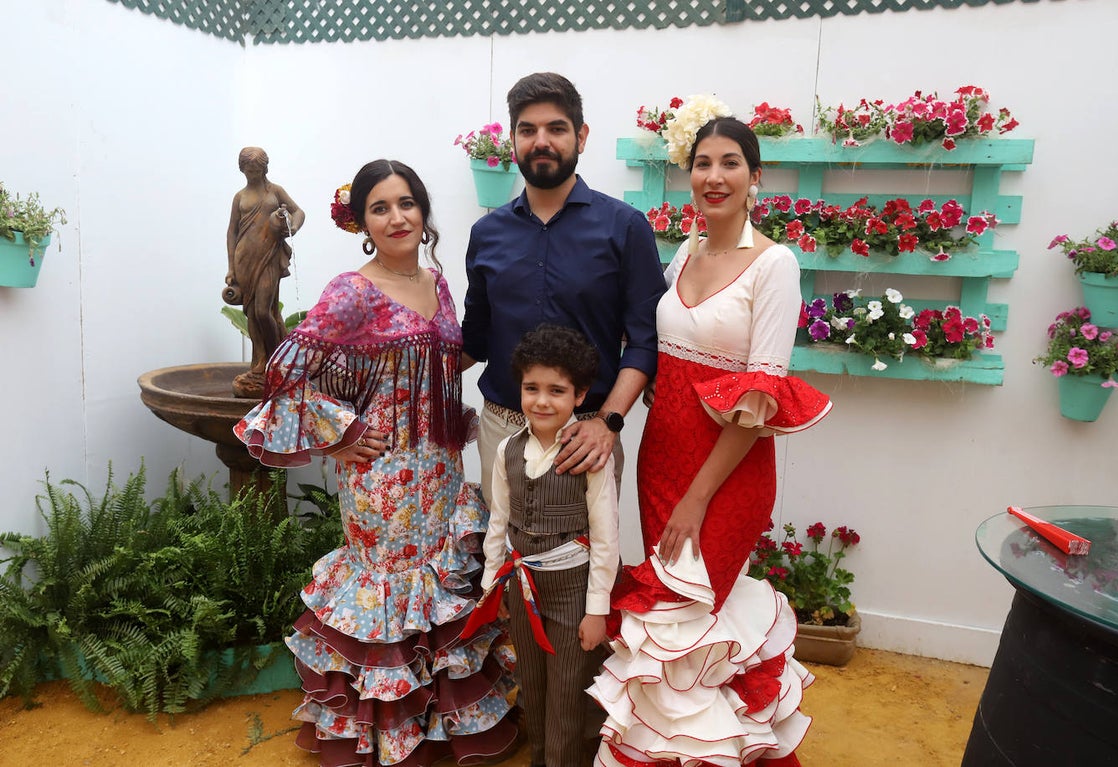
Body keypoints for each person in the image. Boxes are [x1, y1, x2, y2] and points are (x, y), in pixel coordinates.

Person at [233, 159, 519, 767]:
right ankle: (387, 734)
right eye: (381, 208)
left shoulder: (436, 282)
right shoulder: (350, 291)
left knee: (438, 589)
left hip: (440, 467)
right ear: (362, 221)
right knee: (393, 594)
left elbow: (442, 359)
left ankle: (442, 727)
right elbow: (284, 371)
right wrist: (337, 436)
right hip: (380, 479)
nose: (397, 217)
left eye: (407, 203)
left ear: (423, 212)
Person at [587, 109, 833, 767]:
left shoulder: (775, 264)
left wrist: (697, 497)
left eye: (730, 163)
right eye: (702, 163)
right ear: (688, 174)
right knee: (673, 628)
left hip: (726, 473)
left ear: (756, 177)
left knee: (693, 617)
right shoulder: (684, 253)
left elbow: (761, 401)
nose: (714, 176)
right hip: (658, 457)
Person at [461, 72, 666, 501]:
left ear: (581, 136)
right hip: (502, 431)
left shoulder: (624, 228)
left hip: (587, 435)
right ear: (513, 140)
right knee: (501, 557)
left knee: (590, 561)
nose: (541, 141)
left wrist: (607, 422)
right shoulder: (487, 234)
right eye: (527, 130)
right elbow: (475, 339)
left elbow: (646, 342)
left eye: (556, 129)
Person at [463, 324, 619, 767]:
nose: (542, 401)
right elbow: (499, 521)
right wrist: (495, 585)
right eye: (532, 388)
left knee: (569, 692)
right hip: (522, 586)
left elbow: (606, 535)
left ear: (579, 395)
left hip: (574, 593)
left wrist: (597, 609)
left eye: (557, 390)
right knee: (531, 687)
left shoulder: (589, 454)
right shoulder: (509, 449)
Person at [224, 146, 306, 398]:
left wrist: (292, 225)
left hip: (269, 256)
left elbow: (299, 212)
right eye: (248, 170)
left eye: (256, 170)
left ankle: (277, 359)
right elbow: (232, 232)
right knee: (252, 313)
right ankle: (260, 363)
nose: (252, 175)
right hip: (244, 259)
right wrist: (230, 268)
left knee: (263, 311)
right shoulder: (239, 197)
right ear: (242, 170)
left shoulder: (275, 191)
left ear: (264, 168)